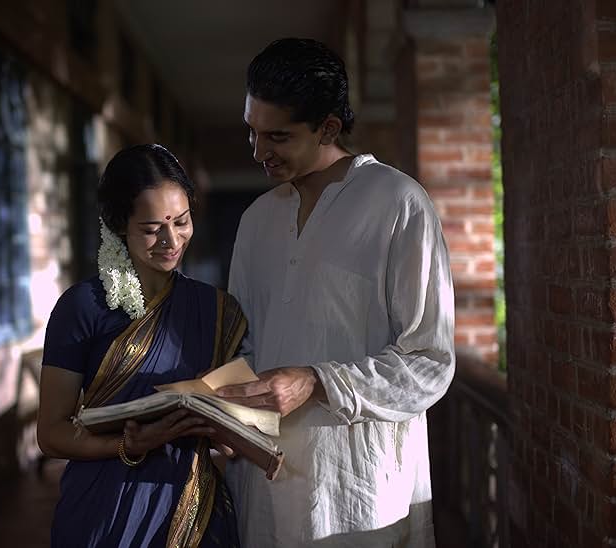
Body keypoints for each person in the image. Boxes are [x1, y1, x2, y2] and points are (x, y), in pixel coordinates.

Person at [216, 38, 456, 547]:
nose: (260, 152)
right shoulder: (257, 221)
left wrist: (317, 381)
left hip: (359, 490)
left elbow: (430, 362)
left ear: (328, 127)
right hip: (266, 486)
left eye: (277, 136)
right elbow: (243, 346)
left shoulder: (398, 204)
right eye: (252, 133)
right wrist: (217, 408)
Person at [37, 144, 245, 548]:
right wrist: (127, 445)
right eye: (152, 229)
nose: (171, 240)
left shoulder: (214, 308)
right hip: (104, 507)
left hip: (192, 505)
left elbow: (233, 418)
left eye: (181, 222)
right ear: (119, 226)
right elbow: (51, 433)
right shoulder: (83, 308)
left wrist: (226, 425)